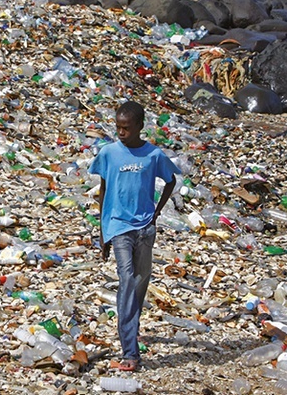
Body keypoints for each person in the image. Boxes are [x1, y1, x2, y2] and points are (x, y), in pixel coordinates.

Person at [88, 101, 180, 372]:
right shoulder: (109, 154)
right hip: (118, 227)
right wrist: (103, 232)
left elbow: (171, 181)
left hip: (144, 228)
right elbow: (104, 190)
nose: (121, 132)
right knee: (126, 279)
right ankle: (131, 352)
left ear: (140, 127)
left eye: (126, 128)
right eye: (118, 127)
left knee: (140, 283)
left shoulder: (153, 155)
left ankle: (132, 328)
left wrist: (156, 214)